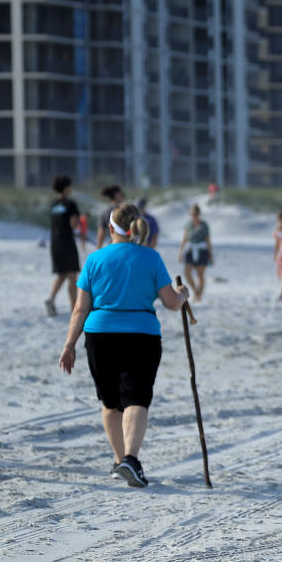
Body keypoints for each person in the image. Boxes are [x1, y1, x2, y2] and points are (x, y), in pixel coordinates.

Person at [58, 202, 188, 487]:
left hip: (99, 336)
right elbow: (171, 303)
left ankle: (121, 462)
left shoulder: (95, 259)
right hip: (141, 334)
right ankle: (130, 459)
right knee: (137, 399)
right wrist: (183, 293)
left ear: (110, 228)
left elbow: (80, 309)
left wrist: (69, 344)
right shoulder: (150, 258)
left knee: (111, 402)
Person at [45, 175, 81, 317]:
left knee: (61, 274)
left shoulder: (53, 205)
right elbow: (73, 224)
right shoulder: (71, 204)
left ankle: (51, 299)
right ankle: (74, 308)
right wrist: (79, 220)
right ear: (66, 188)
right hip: (67, 242)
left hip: (55, 242)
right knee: (72, 276)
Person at [177, 204, 213, 302]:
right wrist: (181, 252)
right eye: (192, 213)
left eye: (196, 213)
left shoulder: (203, 225)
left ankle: (199, 296)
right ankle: (196, 292)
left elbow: (207, 240)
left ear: (199, 214)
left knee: (200, 275)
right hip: (190, 249)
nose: (194, 215)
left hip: (201, 250)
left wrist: (211, 254)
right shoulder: (188, 224)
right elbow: (184, 239)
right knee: (187, 273)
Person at [94, 184, 125, 249]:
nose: (123, 195)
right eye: (121, 193)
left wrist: (98, 248)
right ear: (116, 194)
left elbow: (101, 234)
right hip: (126, 245)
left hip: (112, 245)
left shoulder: (104, 213)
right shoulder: (126, 210)